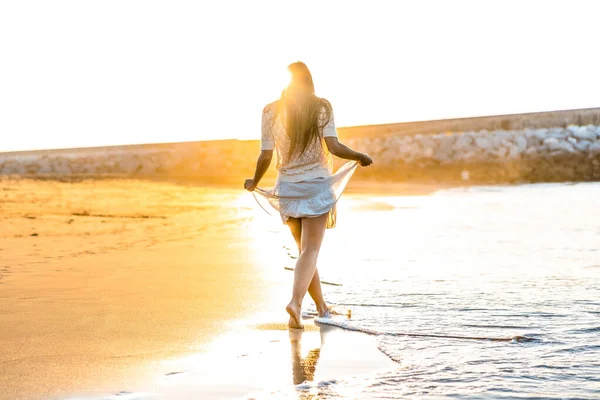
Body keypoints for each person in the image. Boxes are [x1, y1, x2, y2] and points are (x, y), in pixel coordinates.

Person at [244, 61, 372, 329]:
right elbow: (334, 147)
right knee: (310, 251)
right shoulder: (321, 106)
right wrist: (358, 155)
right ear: (309, 81)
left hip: (289, 189)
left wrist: (254, 180)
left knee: (305, 253)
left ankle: (321, 308)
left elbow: (265, 155)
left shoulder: (270, 111)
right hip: (316, 186)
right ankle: (295, 303)